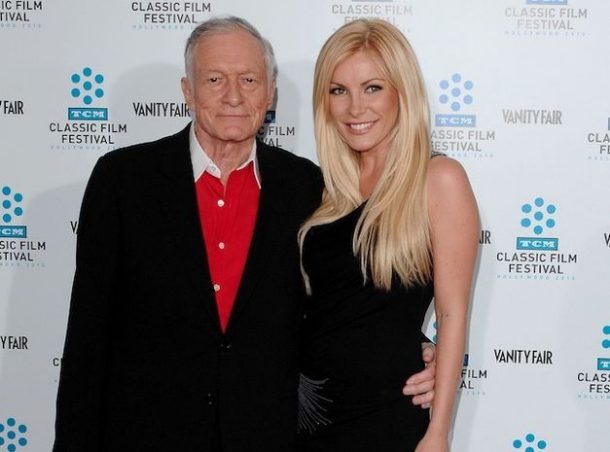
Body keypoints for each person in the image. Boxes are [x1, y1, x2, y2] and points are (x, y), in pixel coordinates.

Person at [53, 16, 436, 452]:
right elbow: (86, 338)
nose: (233, 96)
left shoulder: (310, 189)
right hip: (145, 436)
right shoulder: (123, 181)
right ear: (187, 91)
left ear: (270, 93)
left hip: (265, 436)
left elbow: (342, 306)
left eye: (249, 80)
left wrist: (420, 348)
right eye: (215, 79)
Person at [296, 19, 479, 452]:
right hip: (308, 414)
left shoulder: (439, 179)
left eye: (372, 88)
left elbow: (452, 314)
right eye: (339, 90)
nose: (355, 108)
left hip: (387, 415)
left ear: (402, 92)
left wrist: (438, 433)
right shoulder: (322, 189)